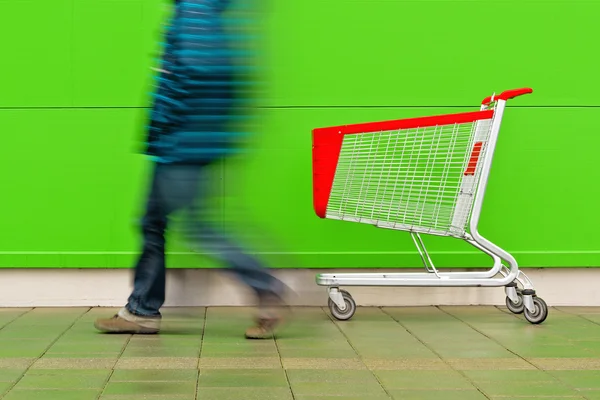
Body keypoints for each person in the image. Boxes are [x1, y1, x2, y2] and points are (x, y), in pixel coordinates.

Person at [94, 0, 288, 339]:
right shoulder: (202, 12)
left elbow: (194, 76)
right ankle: (141, 310)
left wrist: (164, 128)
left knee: (199, 228)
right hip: (183, 142)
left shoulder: (194, 12)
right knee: (152, 221)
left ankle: (265, 286)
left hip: (181, 143)